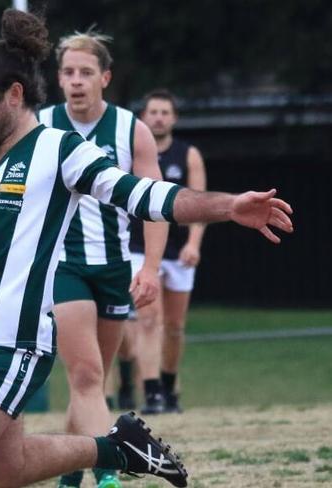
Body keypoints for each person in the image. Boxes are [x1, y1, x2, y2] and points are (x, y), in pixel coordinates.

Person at [0, 9, 292, 488]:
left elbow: (144, 194)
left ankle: (116, 448)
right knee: (3, 472)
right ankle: (119, 448)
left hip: (12, 345)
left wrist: (227, 206)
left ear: (13, 95)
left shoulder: (59, 151)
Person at [38, 31, 168, 488]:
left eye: (86, 73)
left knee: (90, 383)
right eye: (68, 73)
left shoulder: (132, 129)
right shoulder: (40, 125)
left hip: (114, 267)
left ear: (105, 78)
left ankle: (68, 479)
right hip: (63, 267)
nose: (76, 81)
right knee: (88, 374)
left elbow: (155, 202)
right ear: (58, 79)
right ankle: (108, 473)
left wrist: (150, 268)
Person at [126, 89, 208, 414]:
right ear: (143, 117)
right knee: (148, 319)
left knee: (174, 326)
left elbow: (201, 203)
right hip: (139, 247)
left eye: (165, 112)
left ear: (173, 118)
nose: (158, 117)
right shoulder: (132, 153)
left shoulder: (188, 155)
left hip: (179, 252)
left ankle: (170, 384)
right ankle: (152, 392)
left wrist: (193, 243)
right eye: (153, 111)